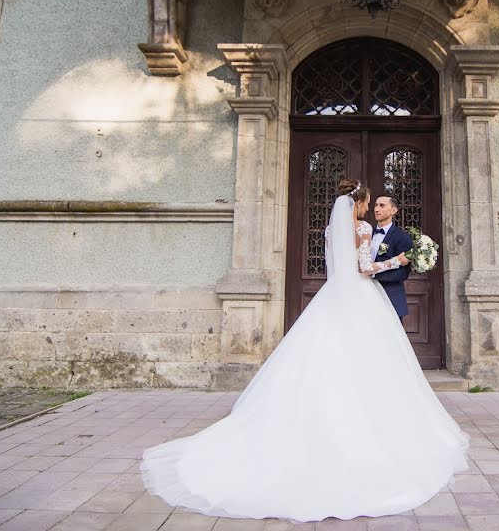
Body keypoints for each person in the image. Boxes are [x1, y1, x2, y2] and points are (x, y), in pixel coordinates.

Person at [140, 178, 470, 523]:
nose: (369, 208)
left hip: (334, 298)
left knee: (324, 356)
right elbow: (364, 268)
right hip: (360, 298)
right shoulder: (359, 229)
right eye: (368, 202)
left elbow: (340, 267)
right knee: (367, 360)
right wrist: (398, 259)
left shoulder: (331, 231)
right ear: (358, 204)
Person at [370, 195, 414, 322]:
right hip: (367, 297)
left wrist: (373, 274)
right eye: (375, 205)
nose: (377, 209)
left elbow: (404, 273)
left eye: (382, 206)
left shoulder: (402, 238)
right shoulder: (367, 233)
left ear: (393, 211)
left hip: (391, 297)